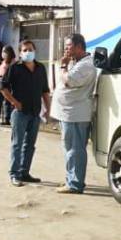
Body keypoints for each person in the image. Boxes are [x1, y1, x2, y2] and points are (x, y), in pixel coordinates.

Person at [1, 40, 51, 187]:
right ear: (20, 53)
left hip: (35, 112)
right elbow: (3, 87)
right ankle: (14, 174)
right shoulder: (15, 68)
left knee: (30, 145)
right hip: (20, 113)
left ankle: (24, 172)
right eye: (25, 50)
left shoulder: (40, 68)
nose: (28, 52)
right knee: (17, 144)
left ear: (35, 51)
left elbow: (45, 90)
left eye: (30, 49)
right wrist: (14, 102)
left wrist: (48, 109)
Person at [52, 34, 98, 195]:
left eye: (69, 46)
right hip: (68, 113)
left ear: (79, 47)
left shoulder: (86, 65)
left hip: (76, 114)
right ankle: (71, 179)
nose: (66, 49)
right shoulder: (76, 62)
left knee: (75, 150)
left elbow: (68, 81)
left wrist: (63, 66)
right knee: (69, 148)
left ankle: (75, 184)